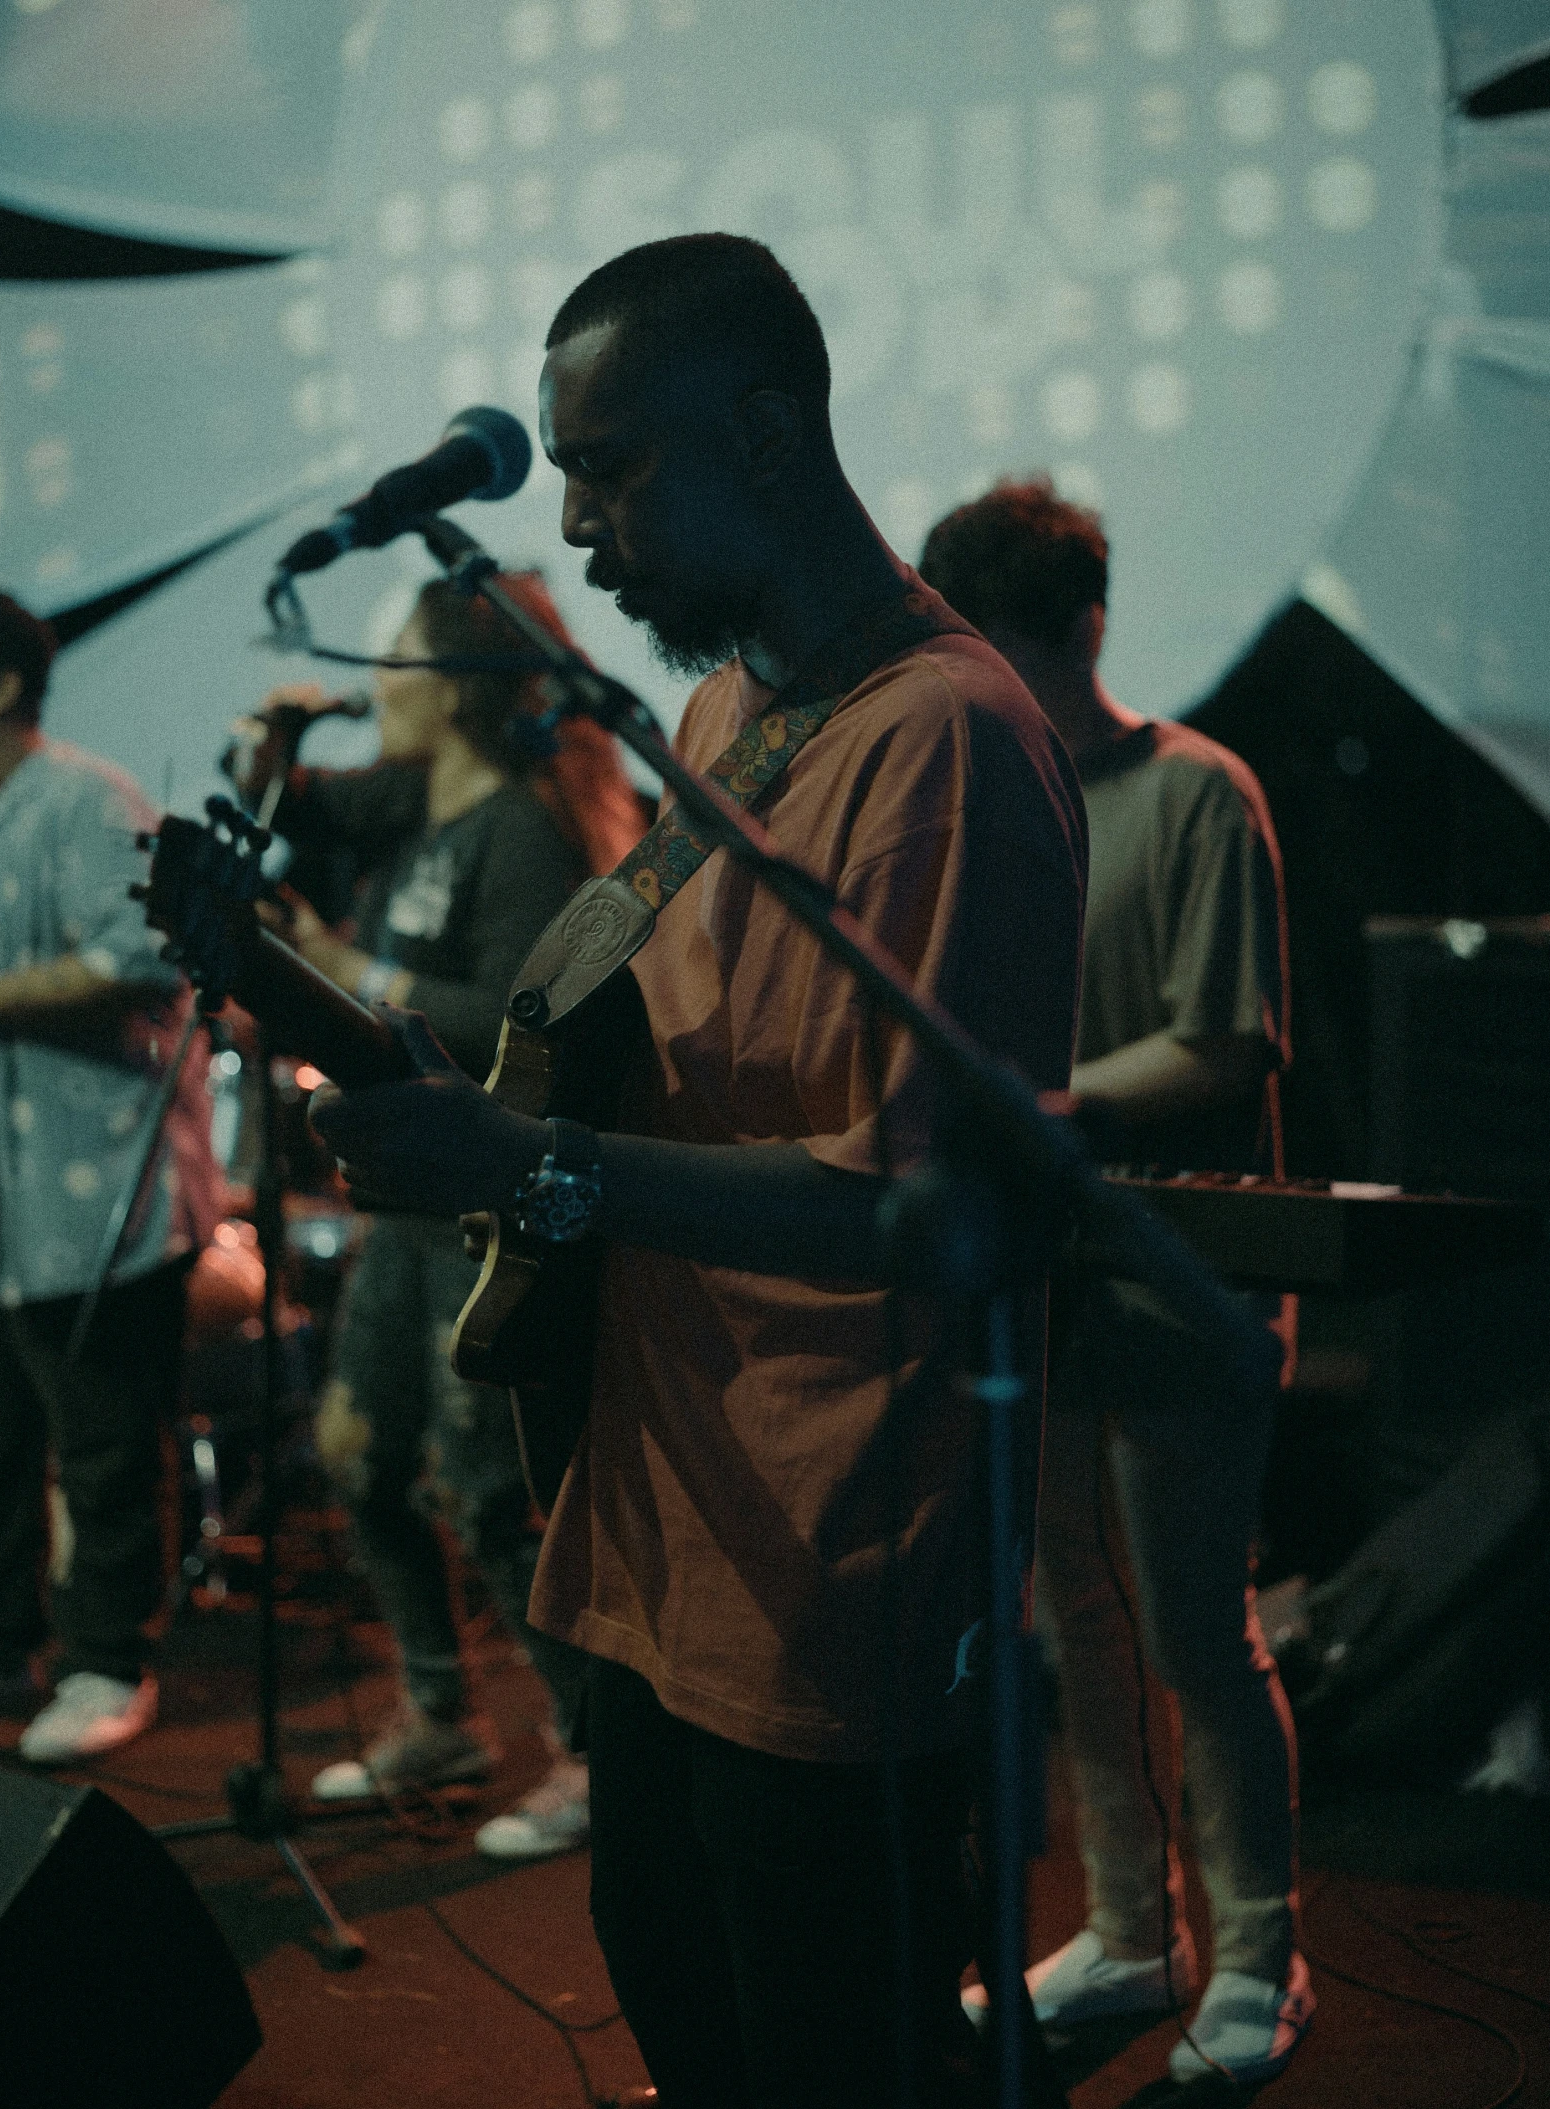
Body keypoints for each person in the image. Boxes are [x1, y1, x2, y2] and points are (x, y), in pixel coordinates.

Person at [307, 234, 1087, 2109]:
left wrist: (532, 1164)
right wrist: (458, 1093)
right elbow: (664, 1060)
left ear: (762, 429)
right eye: (564, 473)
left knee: (841, 2043)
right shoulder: (736, 706)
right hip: (671, 1508)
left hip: (833, 1555)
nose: (574, 531)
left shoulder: (943, 737)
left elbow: (901, 1203)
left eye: (610, 467)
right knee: (689, 2003)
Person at [920, 479, 1315, 2089]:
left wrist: (1049, 1101)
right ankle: (1134, 1933)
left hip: (1180, 1276)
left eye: (991, 641)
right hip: (1044, 1277)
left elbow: (1229, 1039)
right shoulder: (996, 798)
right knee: (1068, 1616)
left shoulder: (1197, 791)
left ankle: (1263, 1959)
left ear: (1076, 625)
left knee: (1193, 1629)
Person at [232, 573, 646, 1860]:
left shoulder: (519, 832)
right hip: (407, 1214)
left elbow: (516, 1023)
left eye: (401, 659)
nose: (382, 684)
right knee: (360, 1454)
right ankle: (438, 1710)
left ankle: (588, 1755)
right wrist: (273, 746)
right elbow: (280, 802)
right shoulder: (421, 807)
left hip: (483, 1215)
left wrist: (354, 973)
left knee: (487, 1488)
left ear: (459, 692)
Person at [0, 590, 225, 1762]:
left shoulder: (86, 801)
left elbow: (141, 960)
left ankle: (109, 1662)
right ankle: (0, 1643)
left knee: (106, 1437)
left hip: (101, 1189)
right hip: (4, 1200)